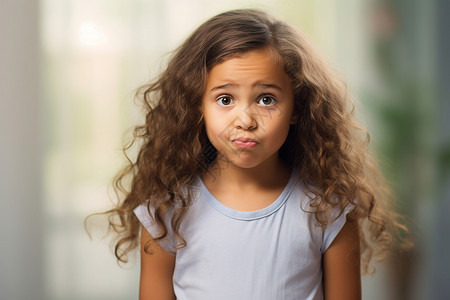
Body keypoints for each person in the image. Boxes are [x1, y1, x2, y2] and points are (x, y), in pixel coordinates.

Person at [104, 8, 409, 300]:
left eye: (266, 99)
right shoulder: (165, 211)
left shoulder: (330, 210)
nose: (246, 120)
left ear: (297, 108)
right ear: (197, 106)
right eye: (225, 99)